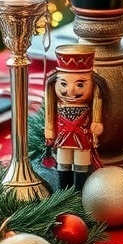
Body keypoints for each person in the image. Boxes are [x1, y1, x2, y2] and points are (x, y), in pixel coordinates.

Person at [44, 44, 107, 191]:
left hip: (82, 140)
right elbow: (51, 118)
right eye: (63, 84)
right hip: (63, 139)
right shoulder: (57, 105)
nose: (70, 91)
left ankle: (80, 192)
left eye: (80, 85)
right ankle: (63, 191)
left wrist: (96, 124)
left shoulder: (90, 105)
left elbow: (95, 121)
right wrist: (50, 129)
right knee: (63, 162)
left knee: (81, 163)